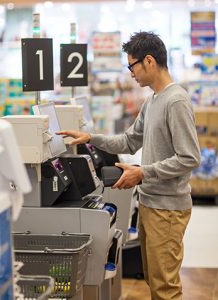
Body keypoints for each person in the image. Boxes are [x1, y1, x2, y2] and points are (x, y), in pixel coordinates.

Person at [56, 31, 201, 300]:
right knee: (154, 280)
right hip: (151, 203)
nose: (131, 73)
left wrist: (143, 172)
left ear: (149, 61)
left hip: (167, 209)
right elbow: (130, 140)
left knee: (165, 288)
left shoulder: (175, 100)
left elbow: (189, 157)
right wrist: (92, 138)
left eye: (132, 65)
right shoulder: (153, 100)